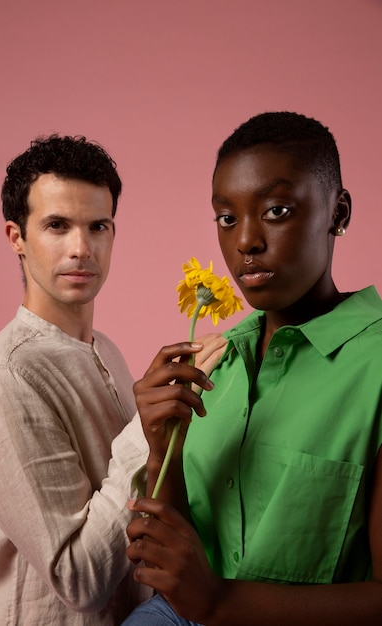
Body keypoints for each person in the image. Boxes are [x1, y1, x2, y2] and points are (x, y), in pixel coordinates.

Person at [121, 112, 382, 625]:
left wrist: (220, 601)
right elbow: (175, 567)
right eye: (227, 218)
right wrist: (160, 450)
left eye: (277, 210)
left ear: (339, 212)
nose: (245, 242)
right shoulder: (216, 361)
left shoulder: (375, 368)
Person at [0, 134, 157, 625]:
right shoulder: (3, 377)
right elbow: (80, 579)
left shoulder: (105, 350)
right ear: (16, 237)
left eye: (98, 226)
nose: (81, 248)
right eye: (57, 225)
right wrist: (148, 430)